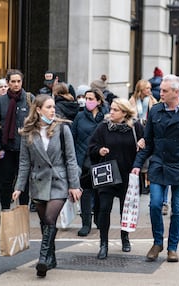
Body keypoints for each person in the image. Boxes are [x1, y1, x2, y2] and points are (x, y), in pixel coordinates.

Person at [131, 74, 179, 263]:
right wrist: (137, 165)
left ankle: (173, 247)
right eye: (161, 90)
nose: (160, 93)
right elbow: (147, 142)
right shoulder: (155, 111)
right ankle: (157, 242)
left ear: (176, 91)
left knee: (177, 209)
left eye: (164, 91)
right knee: (155, 204)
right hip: (159, 164)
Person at [12, 94, 82, 277]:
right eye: (49, 107)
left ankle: (42, 259)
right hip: (38, 182)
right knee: (44, 222)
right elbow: (24, 163)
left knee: (50, 218)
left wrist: (74, 185)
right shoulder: (27, 132)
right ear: (38, 109)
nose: (53, 111)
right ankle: (51, 256)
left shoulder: (62, 129)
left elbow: (71, 159)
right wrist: (19, 187)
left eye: (53, 107)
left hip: (59, 180)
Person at [88, 98, 144, 259]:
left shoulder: (136, 127)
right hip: (108, 173)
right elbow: (91, 147)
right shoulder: (103, 128)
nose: (110, 112)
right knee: (104, 208)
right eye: (111, 109)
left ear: (124, 113)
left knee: (125, 209)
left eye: (115, 110)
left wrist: (143, 142)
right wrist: (99, 151)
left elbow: (146, 146)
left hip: (128, 174)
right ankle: (103, 243)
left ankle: (125, 238)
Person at [0, 69, 34, 226]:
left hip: (25, 149)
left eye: (19, 81)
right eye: (13, 81)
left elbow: (36, 122)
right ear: (8, 83)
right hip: (6, 149)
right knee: (5, 183)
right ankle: (4, 213)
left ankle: (23, 214)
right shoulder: (0, 102)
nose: (16, 84)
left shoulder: (29, 99)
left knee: (24, 183)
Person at [72, 88, 108, 236]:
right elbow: (73, 137)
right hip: (82, 160)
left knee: (100, 191)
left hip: (100, 159)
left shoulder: (105, 117)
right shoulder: (79, 117)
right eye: (86, 98)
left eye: (91, 99)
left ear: (98, 101)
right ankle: (85, 223)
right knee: (85, 192)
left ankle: (99, 219)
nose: (87, 101)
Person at [129, 79, 157, 197]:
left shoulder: (152, 100)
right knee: (138, 155)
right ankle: (140, 182)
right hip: (136, 130)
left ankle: (148, 183)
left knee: (148, 157)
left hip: (148, 131)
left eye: (150, 88)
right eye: (147, 88)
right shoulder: (132, 100)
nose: (149, 91)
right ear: (141, 89)